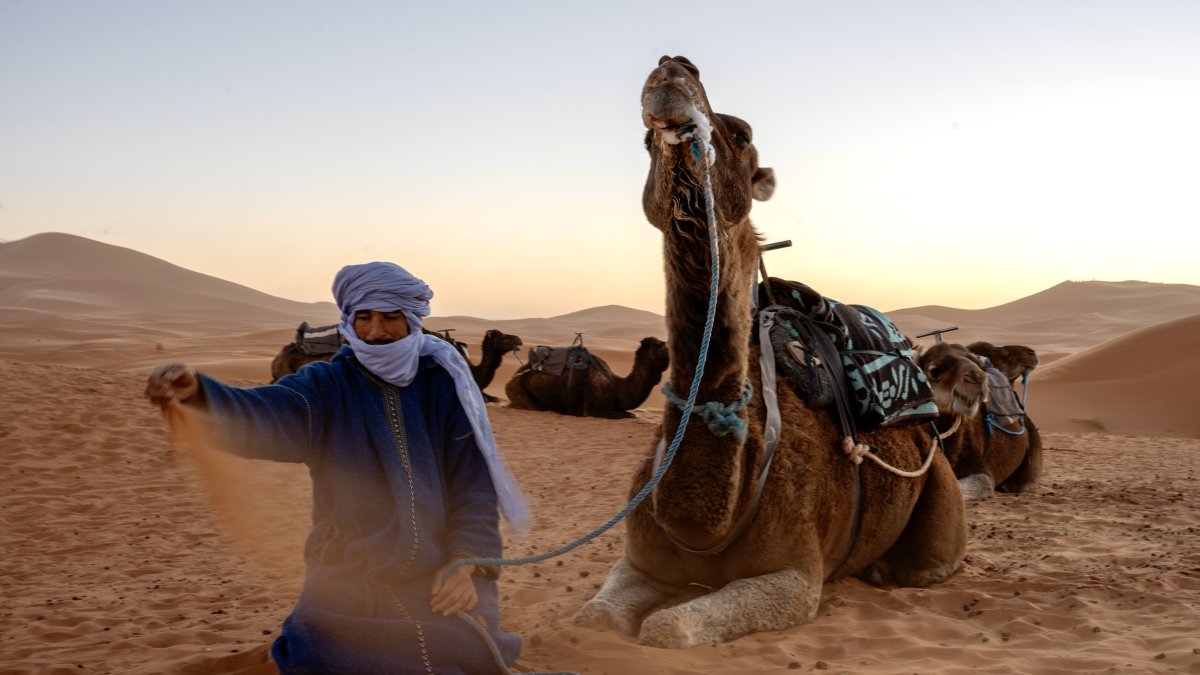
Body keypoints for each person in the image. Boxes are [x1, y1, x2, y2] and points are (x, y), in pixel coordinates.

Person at [145, 261, 530, 674]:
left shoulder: (443, 385)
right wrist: (202, 396)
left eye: (389, 318)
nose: (376, 332)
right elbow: (266, 414)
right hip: (352, 571)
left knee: (463, 649)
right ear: (348, 318)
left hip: (438, 570)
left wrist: (466, 563)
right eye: (363, 318)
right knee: (329, 654)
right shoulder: (326, 386)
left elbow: (472, 484)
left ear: (412, 318)